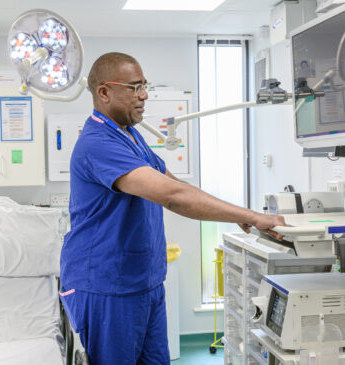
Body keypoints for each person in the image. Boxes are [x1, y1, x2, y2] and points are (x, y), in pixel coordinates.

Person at [60, 52, 286, 365]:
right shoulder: (98, 142)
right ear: (104, 92)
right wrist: (251, 217)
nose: (144, 96)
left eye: (145, 86)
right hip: (107, 287)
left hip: (145, 283)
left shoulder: (130, 135)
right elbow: (173, 196)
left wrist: (239, 215)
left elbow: (177, 184)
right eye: (135, 87)